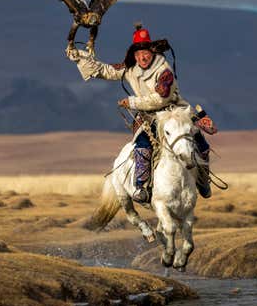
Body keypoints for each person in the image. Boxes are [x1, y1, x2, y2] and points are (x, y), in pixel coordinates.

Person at [66, 23, 215, 203]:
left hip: (173, 111)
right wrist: (80, 58)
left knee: (201, 145)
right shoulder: (130, 68)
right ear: (134, 55)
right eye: (138, 53)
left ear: (152, 52)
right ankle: (141, 187)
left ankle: (203, 181)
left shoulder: (165, 71)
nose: (142, 56)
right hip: (148, 117)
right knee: (142, 145)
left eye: (145, 52)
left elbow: (162, 98)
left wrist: (132, 102)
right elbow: (104, 70)